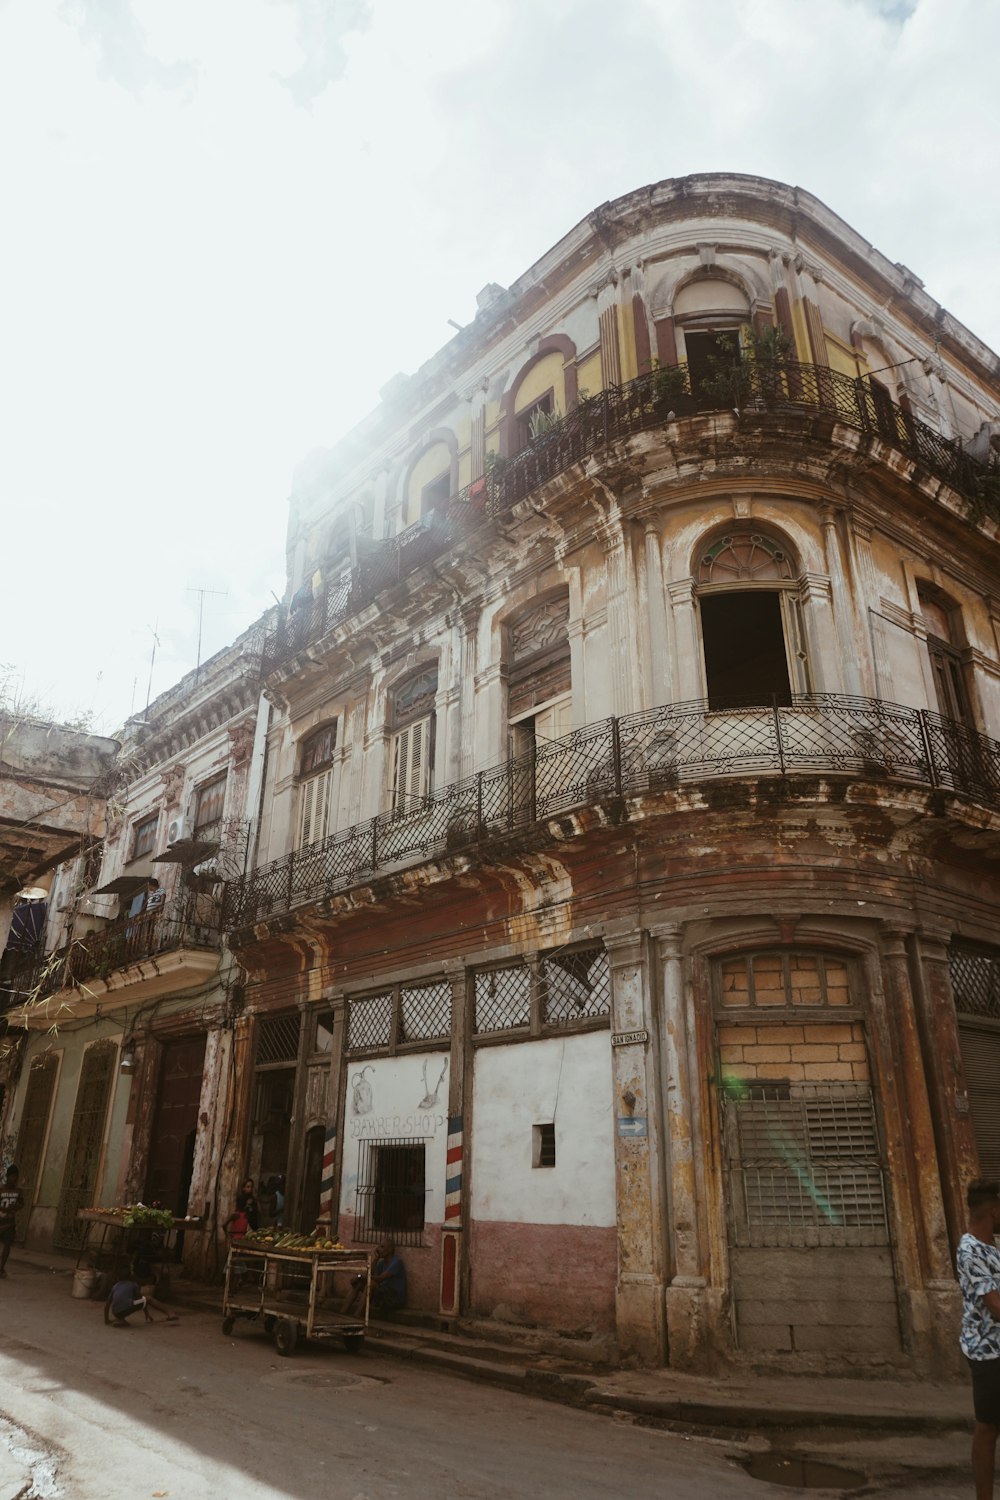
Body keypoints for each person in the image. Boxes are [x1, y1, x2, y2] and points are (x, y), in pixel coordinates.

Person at [957, 1178, 1000, 1500]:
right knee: (987, 1429)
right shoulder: (971, 1248)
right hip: (988, 1353)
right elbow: (996, 1307)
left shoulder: (991, 1246)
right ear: (994, 1211)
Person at [345, 1239, 406, 1317]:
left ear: (390, 1249)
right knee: (359, 1284)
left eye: (382, 1247)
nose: (378, 1249)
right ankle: (343, 1312)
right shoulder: (381, 1263)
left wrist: (360, 1277)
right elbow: (370, 1273)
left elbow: (380, 1278)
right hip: (383, 1294)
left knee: (371, 1284)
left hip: (394, 1298)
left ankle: (357, 1315)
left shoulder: (397, 1262)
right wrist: (376, 1259)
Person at [104, 1268, 179, 1328]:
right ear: (130, 1276)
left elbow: (107, 1305)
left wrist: (107, 1320)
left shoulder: (115, 1286)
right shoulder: (133, 1284)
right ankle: (170, 1313)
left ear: (118, 1278)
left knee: (125, 1304)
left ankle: (120, 1320)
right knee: (148, 1298)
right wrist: (146, 1312)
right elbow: (141, 1299)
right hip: (128, 1306)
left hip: (116, 1312)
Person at [0, 1165, 24, 1278]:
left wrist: (16, 1207)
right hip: (0, 1220)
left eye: (16, 1176)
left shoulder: (18, 1191)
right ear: (8, 1176)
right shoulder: (1, 1189)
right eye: (12, 1176)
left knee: (7, 1245)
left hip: (10, 1221)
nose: (14, 1179)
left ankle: (1, 1268)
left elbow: (21, 1204)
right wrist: (4, 1209)